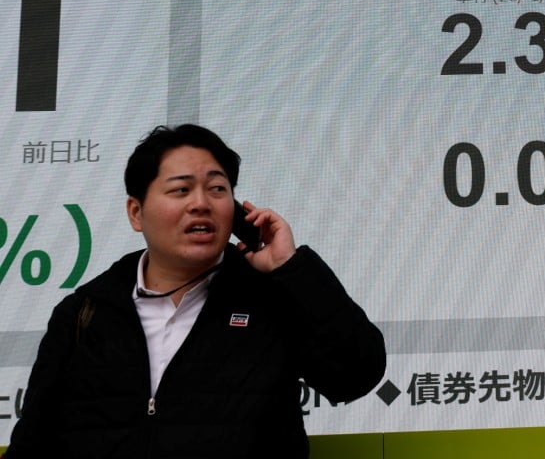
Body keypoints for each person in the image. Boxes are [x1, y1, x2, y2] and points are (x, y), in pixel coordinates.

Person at [4, 124, 386, 458]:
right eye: (181, 189)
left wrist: (291, 267)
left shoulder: (272, 296)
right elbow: (33, 442)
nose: (201, 203)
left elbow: (356, 374)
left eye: (217, 189)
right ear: (136, 212)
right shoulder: (84, 313)